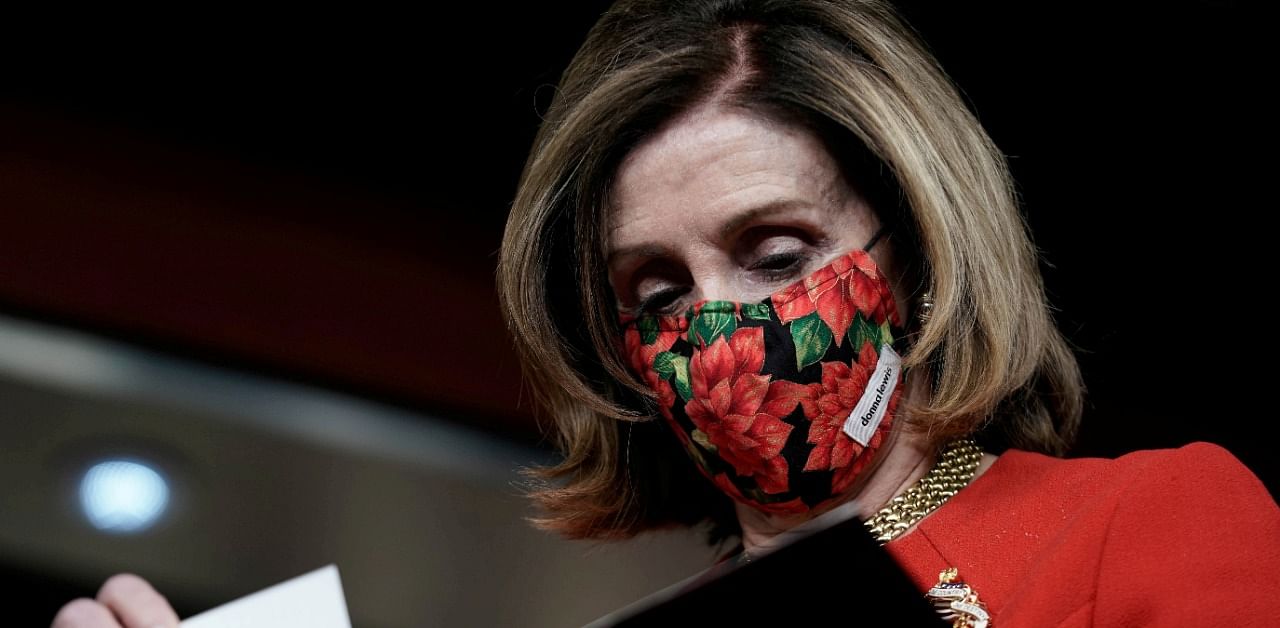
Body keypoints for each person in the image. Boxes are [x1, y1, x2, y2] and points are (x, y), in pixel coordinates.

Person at [53, 1, 1279, 626]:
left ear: (914, 254)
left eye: (774, 249)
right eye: (655, 291)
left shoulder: (1145, 524)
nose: (718, 330)